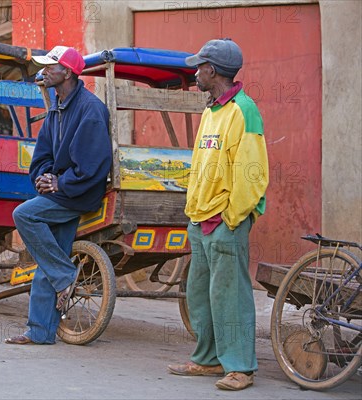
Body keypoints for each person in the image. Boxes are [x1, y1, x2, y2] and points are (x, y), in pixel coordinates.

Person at [167, 39, 269, 390]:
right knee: (200, 293)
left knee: (231, 296)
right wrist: (194, 213)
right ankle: (208, 360)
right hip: (200, 218)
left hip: (226, 221)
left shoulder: (244, 110)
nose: (195, 73)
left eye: (199, 67)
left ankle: (241, 367)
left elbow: (252, 173)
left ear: (212, 71)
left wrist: (232, 216)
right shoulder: (211, 112)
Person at [4, 46, 112, 345]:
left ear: (67, 72)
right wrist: (43, 177)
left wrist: (60, 183)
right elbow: (42, 154)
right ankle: (40, 331)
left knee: (24, 214)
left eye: (51, 67)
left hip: (79, 193)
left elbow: (92, 166)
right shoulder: (57, 107)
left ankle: (65, 275)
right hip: (60, 192)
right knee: (49, 255)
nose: (45, 71)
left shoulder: (90, 109)